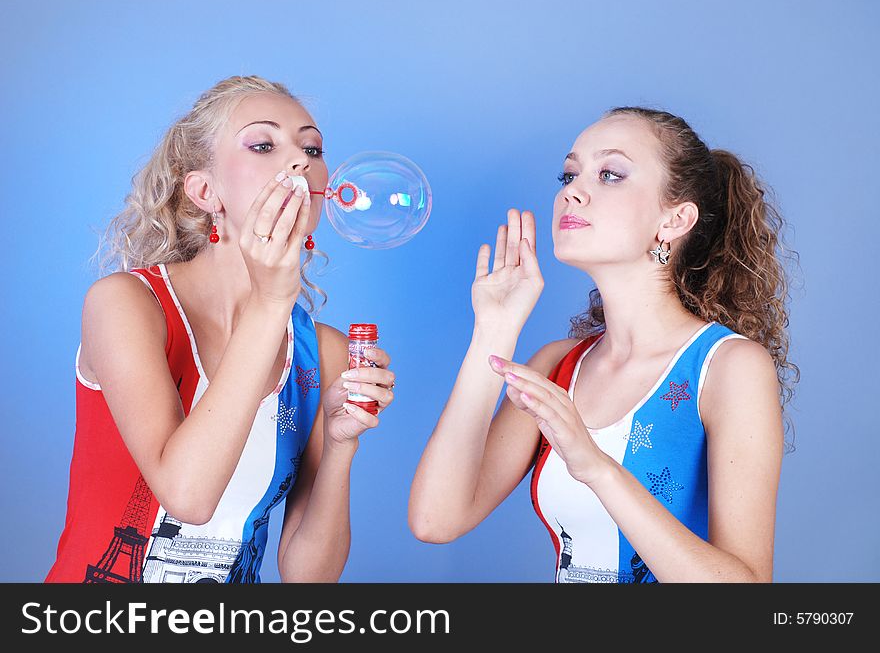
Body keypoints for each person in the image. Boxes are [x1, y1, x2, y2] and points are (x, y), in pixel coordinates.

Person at [409, 107, 797, 583]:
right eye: (568, 174)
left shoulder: (727, 366)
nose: (571, 190)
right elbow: (436, 519)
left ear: (675, 220)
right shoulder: (557, 366)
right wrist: (494, 331)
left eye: (609, 174)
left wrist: (596, 466)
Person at [46, 75, 395, 583]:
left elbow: (308, 578)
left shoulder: (322, 351)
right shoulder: (127, 304)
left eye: (312, 147)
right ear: (206, 191)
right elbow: (187, 496)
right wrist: (272, 298)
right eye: (263, 144)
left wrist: (341, 444)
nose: (301, 161)